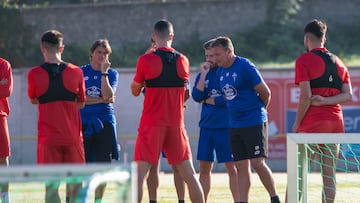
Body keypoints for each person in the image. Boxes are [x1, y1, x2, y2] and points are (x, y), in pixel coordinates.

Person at [131, 19, 204, 203]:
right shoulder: (184, 60)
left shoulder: (146, 60)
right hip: (175, 123)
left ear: (154, 37)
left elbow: (134, 90)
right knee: (190, 175)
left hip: (151, 123)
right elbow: (185, 93)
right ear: (172, 36)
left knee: (139, 176)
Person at [210, 36, 281, 203]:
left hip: (253, 121)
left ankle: (274, 197)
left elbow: (266, 93)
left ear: (229, 51)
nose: (215, 58)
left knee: (257, 163)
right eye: (212, 55)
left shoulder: (245, 66)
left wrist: (258, 112)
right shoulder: (219, 71)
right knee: (240, 166)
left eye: (218, 54)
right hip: (234, 124)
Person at [292, 19, 352, 203]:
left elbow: (305, 97)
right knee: (329, 175)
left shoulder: (304, 59)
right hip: (335, 123)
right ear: (324, 38)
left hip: (313, 122)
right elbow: (347, 95)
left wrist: (296, 124)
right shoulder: (340, 62)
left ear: (306, 39)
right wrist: (326, 101)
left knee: (298, 174)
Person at [27, 30, 86, 203]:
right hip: (72, 137)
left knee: (51, 187)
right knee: (76, 184)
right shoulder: (76, 72)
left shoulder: (34, 74)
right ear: (62, 48)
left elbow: (33, 100)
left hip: (48, 138)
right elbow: (81, 102)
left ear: (42, 48)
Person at [191, 39, 240, 203]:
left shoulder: (227, 72)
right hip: (207, 127)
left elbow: (230, 99)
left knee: (231, 167)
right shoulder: (203, 74)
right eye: (207, 55)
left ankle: (239, 200)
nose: (210, 59)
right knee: (204, 168)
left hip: (225, 127)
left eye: (213, 55)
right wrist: (203, 74)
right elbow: (197, 97)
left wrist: (212, 100)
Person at [144, 39, 187, 203]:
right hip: (156, 120)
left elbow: (186, 91)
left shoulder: (176, 62)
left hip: (167, 121)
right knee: (153, 164)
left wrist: (179, 104)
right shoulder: (149, 64)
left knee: (178, 165)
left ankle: (181, 199)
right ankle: (153, 199)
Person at [80, 39, 119, 202]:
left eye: (105, 53)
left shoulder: (111, 73)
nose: (102, 56)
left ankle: (98, 200)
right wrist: (101, 100)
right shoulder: (81, 72)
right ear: (91, 53)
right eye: (99, 52)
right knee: (83, 165)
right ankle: (82, 197)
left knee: (103, 166)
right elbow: (80, 99)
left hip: (105, 123)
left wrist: (103, 73)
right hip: (84, 122)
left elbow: (109, 96)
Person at [0, 57, 13, 203]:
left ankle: (5, 198)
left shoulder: (3, 64)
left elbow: (5, 90)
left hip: (0, 115)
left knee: (2, 158)